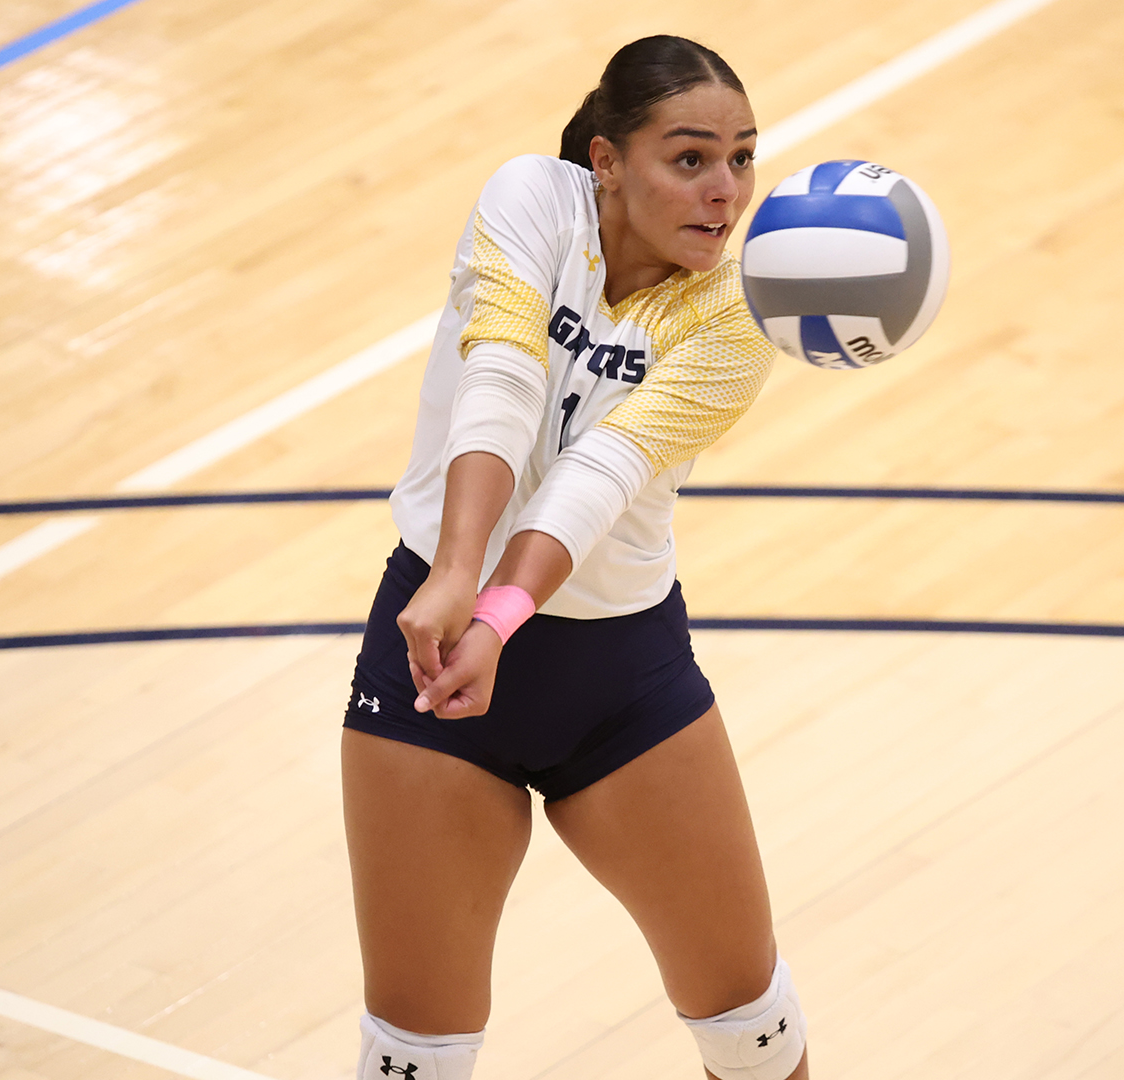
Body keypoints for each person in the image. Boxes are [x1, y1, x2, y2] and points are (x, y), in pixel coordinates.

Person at [340, 34, 808, 1080]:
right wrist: (457, 577)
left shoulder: (738, 316)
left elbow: (600, 475)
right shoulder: (531, 200)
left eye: (742, 158)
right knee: (412, 1058)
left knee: (752, 1033)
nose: (724, 190)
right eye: (690, 158)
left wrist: (497, 613)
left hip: (621, 679)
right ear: (606, 160)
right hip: (430, 642)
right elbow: (498, 377)